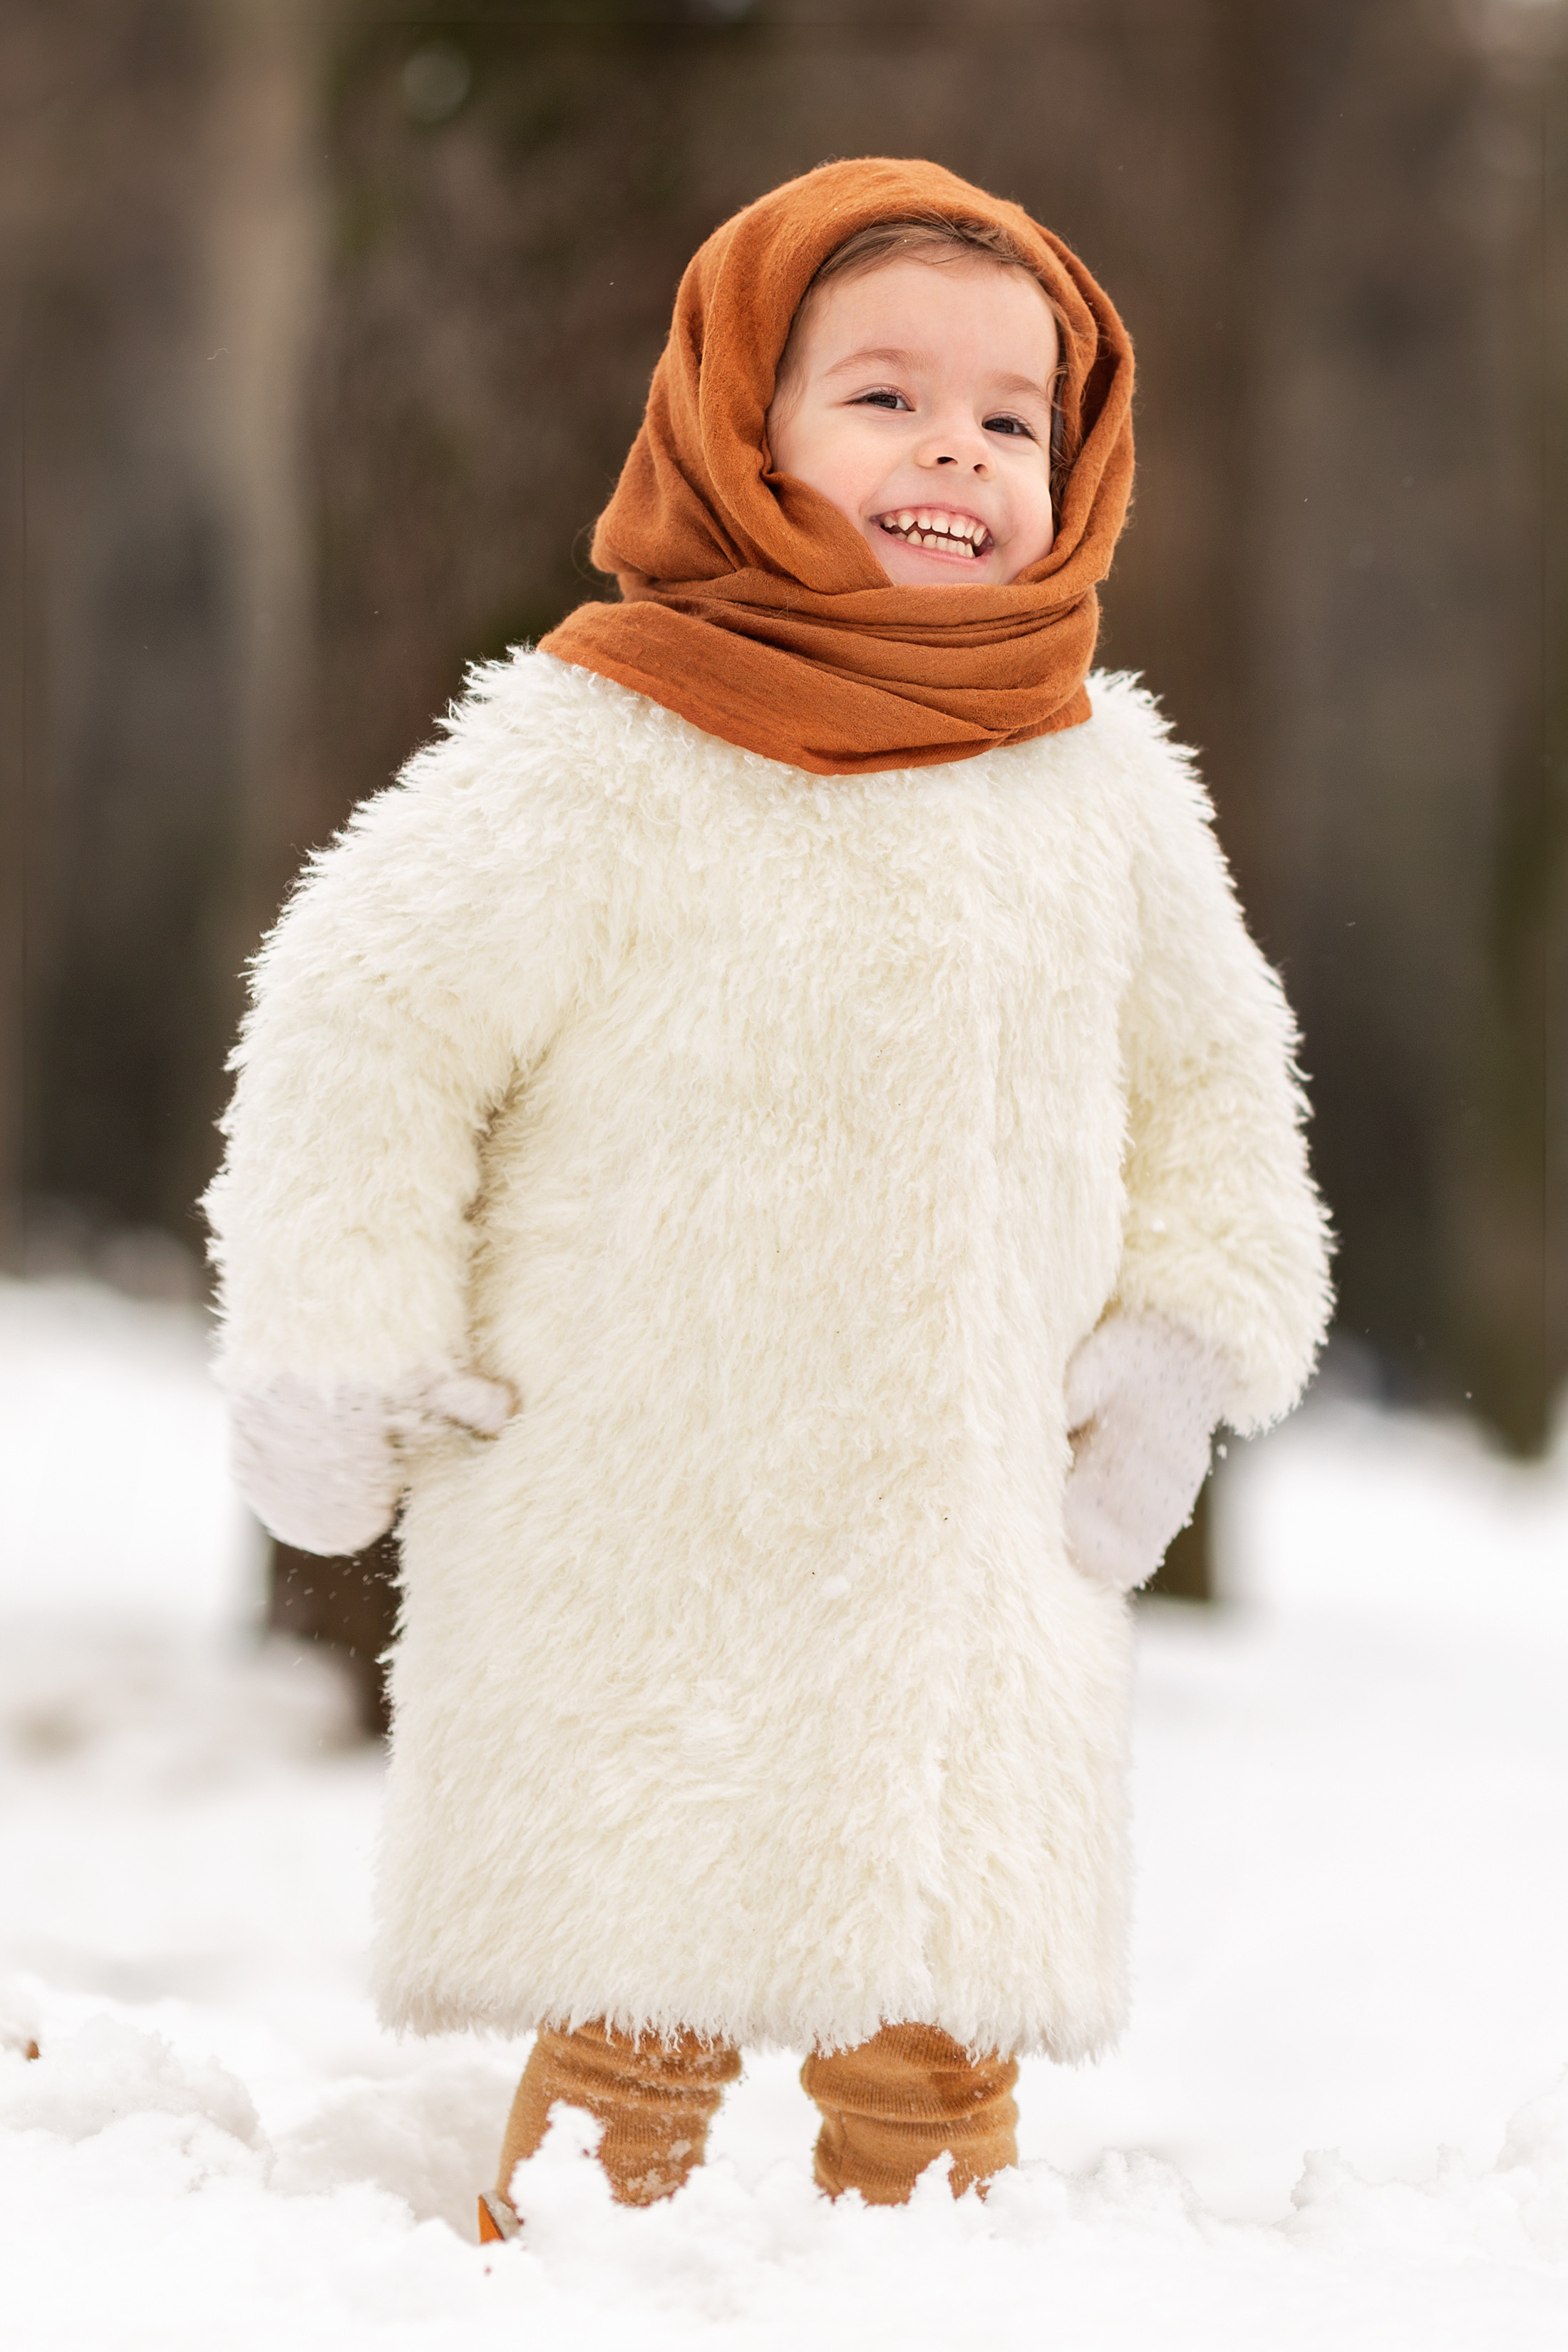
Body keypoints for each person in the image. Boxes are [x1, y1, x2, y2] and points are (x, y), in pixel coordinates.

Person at [205, 158, 1331, 2236]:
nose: (955, 451)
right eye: (884, 395)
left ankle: (930, 2266)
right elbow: (364, 1013)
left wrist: (1187, 1341)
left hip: (963, 1517)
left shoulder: (1095, 782)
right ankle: (573, 2262)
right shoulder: (595, 749)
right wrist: (329, 1337)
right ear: (738, 422)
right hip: (650, 1499)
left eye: (1012, 418)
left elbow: (1216, 1080)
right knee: (640, 1983)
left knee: (936, 2005)